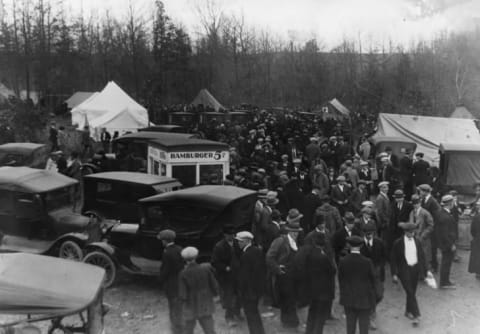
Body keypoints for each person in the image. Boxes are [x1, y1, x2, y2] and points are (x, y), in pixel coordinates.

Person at [295, 233, 336, 334]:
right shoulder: (323, 257)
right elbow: (332, 271)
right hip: (323, 292)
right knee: (320, 317)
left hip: (312, 291)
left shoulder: (309, 255)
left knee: (312, 314)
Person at [266, 219, 302, 329]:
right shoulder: (280, 241)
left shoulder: (295, 243)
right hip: (284, 276)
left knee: (291, 300)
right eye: (293, 232)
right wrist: (277, 268)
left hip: (294, 275)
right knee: (288, 300)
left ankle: (287, 322)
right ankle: (292, 324)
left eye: (297, 232)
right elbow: (269, 257)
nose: (295, 234)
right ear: (289, 232)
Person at [390, 222, 427, 327]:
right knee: (410, 292)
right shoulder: (398, 243)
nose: (412, 234)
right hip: (404, 270)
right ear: (405, 232)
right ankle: (416, 315)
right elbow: (393, 259)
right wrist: (394, 273)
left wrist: (425, 270)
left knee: (412, 292)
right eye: (410, 232)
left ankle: (407, 311)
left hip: (414, 269)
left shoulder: (417, 241)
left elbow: (422, 256)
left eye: (413, 232)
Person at [338, 235, 377, 334]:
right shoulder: (367, 262)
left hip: (349, 299)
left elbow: (341, 280)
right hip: (364, 299)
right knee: (364, 327)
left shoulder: (343, 261)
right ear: (361, 246)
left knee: (350, 327)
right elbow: (373, 280)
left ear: (349, 246)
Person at [179, 246, 219, 334]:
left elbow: (183, 294)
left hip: (190, 305)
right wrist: (215, 295)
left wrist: (181, 303)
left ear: (184, 259)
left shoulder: (183, 273)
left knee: (188, 330)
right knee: (209, 329)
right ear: (196, 257)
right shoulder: (205, 269)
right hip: (205, 303)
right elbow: (214, 285)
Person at [236, 231, 266, 334]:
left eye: (240, 241)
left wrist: (241, 289)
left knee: (251, 315)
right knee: (255, 314)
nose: (238, 243)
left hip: (248, 292)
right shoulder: (257, 251)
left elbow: (244, 277)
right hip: (256, 290)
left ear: (247, 241)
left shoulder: (246, 255)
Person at [211, 228, 241, 327]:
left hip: (237, 274)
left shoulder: (237, 243)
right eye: (229, 234)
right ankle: (229, 317)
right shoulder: (219, 246)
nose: (232, 236)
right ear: (225, 235)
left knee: (239, 295)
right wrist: (225, 267)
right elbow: (214, 262)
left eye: (233, 234)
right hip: (226, 277)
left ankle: (238, 312)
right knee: (229, 297)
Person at [360, 223, 386, 330]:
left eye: (371, 234)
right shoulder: (360, 244)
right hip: (364, 276)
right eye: (367, 234)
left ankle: (371, 312)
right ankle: (370, 317)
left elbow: (384, 257)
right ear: (364, 233)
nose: (369, 236)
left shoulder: (379, 243)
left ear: (374, 233)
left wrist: (379, 267)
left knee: (379, 295)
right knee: (368, 296)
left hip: (377, 274)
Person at [157, 229, 184, 334]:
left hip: (172, 285)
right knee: (180, 307)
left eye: (162, 240)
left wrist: (160, 279)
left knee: (173, 308)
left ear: (165, 241)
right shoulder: (179, 249)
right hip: (180, 282)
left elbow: (165, 270)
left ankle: (177, 330)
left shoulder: (167, 253)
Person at [409, 194, 434, 278]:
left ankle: (425, 273)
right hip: (414, 238)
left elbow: (431, 225)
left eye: (417, 203)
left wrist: (423, 235)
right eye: (414, 203)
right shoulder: (412, 213)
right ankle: (418, 274)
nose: (415, 205)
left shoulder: (425, 213)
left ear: (420, 203)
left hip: (423, 239)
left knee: (425, 256)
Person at [436, 195, 457, 289]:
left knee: (447, 262)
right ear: (450, 203)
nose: (453, 204)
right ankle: (444, 283)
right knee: (446, 263)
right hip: (447, 244)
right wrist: (451, 244)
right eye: (452, 202)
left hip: (444, 243)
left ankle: (446, 280)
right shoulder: (445, 216)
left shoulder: (442, 213)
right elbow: (444, 234)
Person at [468, 200, 480, 279]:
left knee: (477, 256)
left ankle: (478, 272)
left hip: (478, 239)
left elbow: (472, 230)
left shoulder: (476, 217)